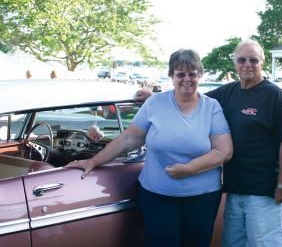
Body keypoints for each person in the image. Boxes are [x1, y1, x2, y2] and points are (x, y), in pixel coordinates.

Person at [135, 40, 282, 246]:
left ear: (262, 62)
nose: (247, 64)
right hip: (234, 188)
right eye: (242, 60)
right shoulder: (227, 93)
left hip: (263, 190)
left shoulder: (274, 95)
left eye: (253, 60)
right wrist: (154, 97)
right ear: (235, 63)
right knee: (232, 243)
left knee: (264, 243)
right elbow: (188, 96)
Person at [66, 49, 233, 247]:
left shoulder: (211, 107)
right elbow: (129, 138)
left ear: (200, 76)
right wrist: (93, 161)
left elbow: (224, 151)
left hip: (202, 198)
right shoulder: (155, 102)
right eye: (180, 74)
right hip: (158, 196)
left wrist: (189, 169)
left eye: (192, 73)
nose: (186, 79)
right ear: (171, 76)